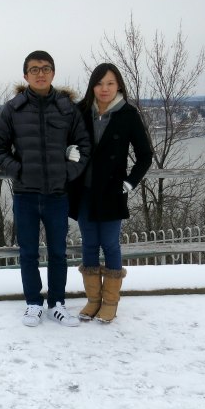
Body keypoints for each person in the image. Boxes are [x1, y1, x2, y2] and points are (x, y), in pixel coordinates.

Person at [0, 50, 91, 327]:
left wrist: (67, 173)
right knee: (28, 254)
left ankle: (57, 304)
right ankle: (33, 304)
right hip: (25, 195)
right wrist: (18, 170)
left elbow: (84, 146)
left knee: (58, 252)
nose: (40, 73)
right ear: (26, 75)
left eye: (45, 68)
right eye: (34, 69)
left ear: (53, 73)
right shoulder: (14, 108)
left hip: (58, 195)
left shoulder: (66, 107)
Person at [68, 63, 153, 323]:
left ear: (119, 86)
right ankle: (93, 300)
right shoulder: (81, 111)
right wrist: (66, 151)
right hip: (83, 191)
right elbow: (64, 140)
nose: (104, 89)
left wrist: (130, 182)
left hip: (112, 191)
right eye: (99, 83)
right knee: (90, 245)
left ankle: (110, 303)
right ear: (92, 85)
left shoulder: (127, 113)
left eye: (110, 83)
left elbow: (145, 155)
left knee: (111, 245)